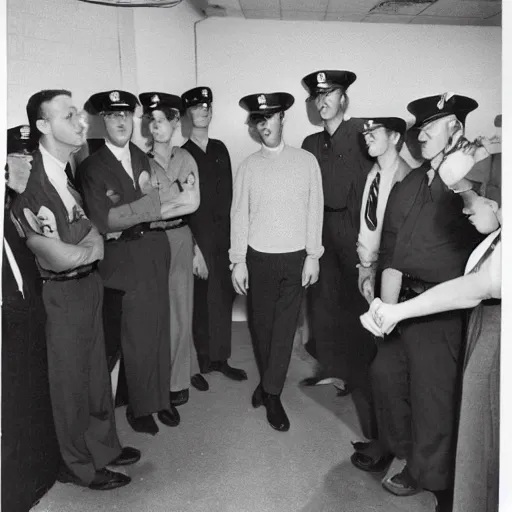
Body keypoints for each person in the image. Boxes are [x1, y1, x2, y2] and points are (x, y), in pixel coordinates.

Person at [10, 90, 140, 491]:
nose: (82, 122)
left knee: (96, 376)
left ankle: (103, 448)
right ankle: (79, 465)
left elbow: (95, 239)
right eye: (70, 115)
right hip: (61, 295)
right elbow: (58, 257)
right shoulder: (30, 181)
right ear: (44, 126)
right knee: (71, 385)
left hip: (88, 287)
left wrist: (85, 249)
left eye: (80, 114)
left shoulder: (64, 172)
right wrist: (86, 249)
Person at [361, 93, 482, 509]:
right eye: (421, 125)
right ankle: (408, 452)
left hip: (442, 307)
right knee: (386, 376)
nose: (423, 132)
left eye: (436, 123)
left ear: (458, 129)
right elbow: (393, 250)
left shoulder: (473, 181)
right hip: (404, 302)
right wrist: (385, 314)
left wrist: (468, 179)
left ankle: (435, 477)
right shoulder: (412, 181)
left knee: (434, 395)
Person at [361, 185, 501, 512]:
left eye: (473, 200)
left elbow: (472, 288)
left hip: (486, 323)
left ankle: (450, 487)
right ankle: (421, 465)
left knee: (472, 418)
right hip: (467, 313)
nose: (465, 209)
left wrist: (395, 312)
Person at [76, 89, 178, 435]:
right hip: (123, 261)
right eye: (112, 115)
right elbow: (106, 220)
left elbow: (141, 207)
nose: (120, 121)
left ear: (134, 119)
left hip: (153, 249)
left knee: (159, 327)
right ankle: (140, 408)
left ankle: (159, 398)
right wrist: (147, 208)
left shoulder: (142, 157)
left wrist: (135, 210)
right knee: (136, 336)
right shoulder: (92, 166)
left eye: (125, 115)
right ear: (102, 121)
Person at [231, 92, 324, 431]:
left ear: (283, 118)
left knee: (284, 330)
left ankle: (272, 393)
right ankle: (269, 383)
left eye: (269, 117)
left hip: (295, 257)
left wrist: (313, 256)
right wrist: (238, 261)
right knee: (262, 328)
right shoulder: (248, 166)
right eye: (258, 119)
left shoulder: (305, 161)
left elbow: (315, 211)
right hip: (259, 258)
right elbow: (239, 215)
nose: (264, 124)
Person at [300, 70, 374, 394]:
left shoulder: (361, 133)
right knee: (323, 302)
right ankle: (331, 369)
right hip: (320, 230)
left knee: (357, 301)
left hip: (353, 229)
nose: (323, 101)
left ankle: (361, 375)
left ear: (343, 97)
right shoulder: (311, 143)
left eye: (330, 93)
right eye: (318, 95)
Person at [2, 125, 61, 511]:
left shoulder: (15, 210)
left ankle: (37, 476)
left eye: (30, 156)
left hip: (27, 315)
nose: (26, 163)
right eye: (17, 156)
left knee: (32, 397)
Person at [139, 91, 208, 407]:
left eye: (161, 120)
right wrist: (172, 203)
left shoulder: (186, 158)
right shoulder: (141, 162)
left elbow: (192, 203)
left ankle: (179, 380)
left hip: (180, 237)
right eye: (150, 121)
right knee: (161, 312)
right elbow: (143, 210)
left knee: (182, 310)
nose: (155, 127)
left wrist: (161, 206)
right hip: (151, 241)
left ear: (175, 122)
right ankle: (183, 366)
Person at [350, 117, 411, 472]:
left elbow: (400, 244)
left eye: (375, 133)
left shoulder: (406, 178)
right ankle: (386, 438)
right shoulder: (374, 174)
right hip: (370, 272)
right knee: (378, 361)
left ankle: (394, 446)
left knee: (390, 369)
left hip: (394, 281)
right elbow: (368, 227)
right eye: (366, 133)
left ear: (395, 137)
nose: (367, 138)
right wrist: (363, 268)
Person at [181, 86, 247, 382]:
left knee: (223, 296)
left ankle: (221, 359)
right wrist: (195, 250)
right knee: (202, 300)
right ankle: (204, 360)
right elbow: (182, 209)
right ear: (187, 115)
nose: (204, 110)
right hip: (198, 239)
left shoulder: (220, 148)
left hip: (225, 236)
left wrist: (237, 243)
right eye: (197, 107)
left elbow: (231, 196)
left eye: (207, 105)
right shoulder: (181, 154)